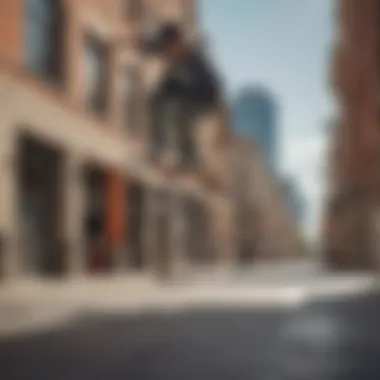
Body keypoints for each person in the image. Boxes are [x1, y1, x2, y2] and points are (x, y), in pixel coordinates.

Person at [144, 23, 223, 174]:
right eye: (167, 48)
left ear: (179, 43)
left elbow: (213, 87)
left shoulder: (195, 60)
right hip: (183, 90)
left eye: (172, 48)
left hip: (205, 96)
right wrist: (135, 42)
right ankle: (158, 147)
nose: (169, 53)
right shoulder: (166, 46)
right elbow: (151, 46)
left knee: (182, 116)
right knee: (159, 96)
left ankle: (189, 159)